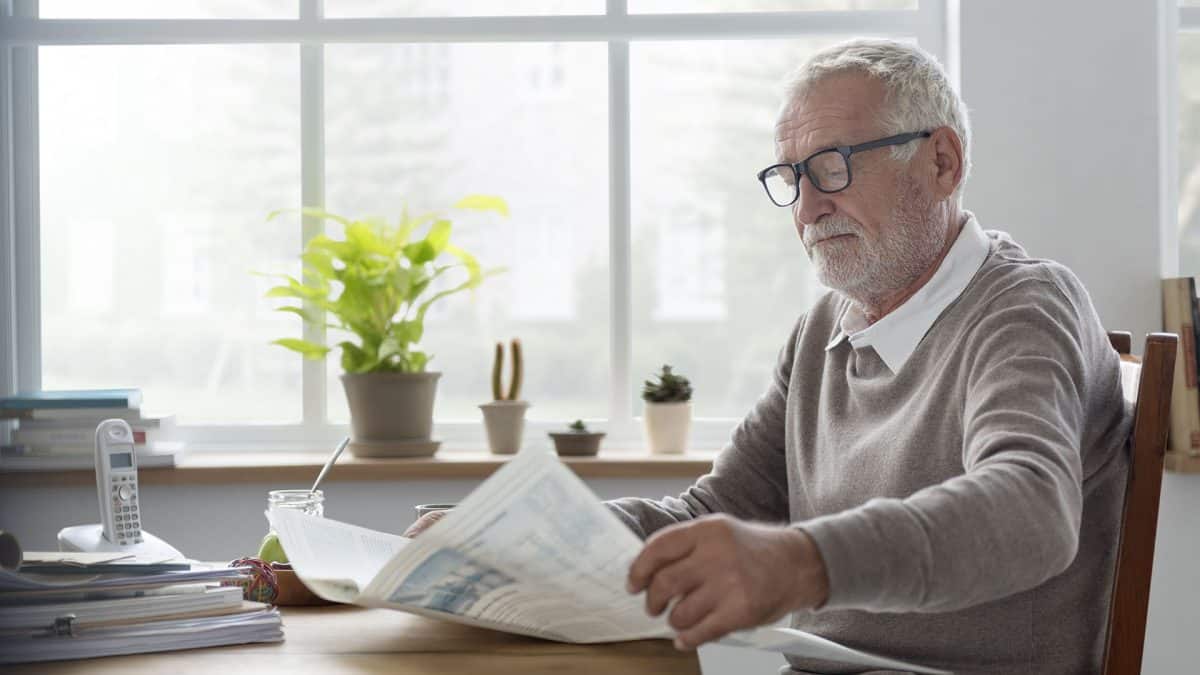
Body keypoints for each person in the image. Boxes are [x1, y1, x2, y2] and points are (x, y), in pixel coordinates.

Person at [408, 39, 1132, 675]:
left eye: (835, 166)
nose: (808, 208)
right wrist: (517, 534)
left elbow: (1030, 510)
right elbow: (710, 512)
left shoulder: (1025, 308)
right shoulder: (824, 330)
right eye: (791, 177)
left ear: (942, 161)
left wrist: (800, 562)